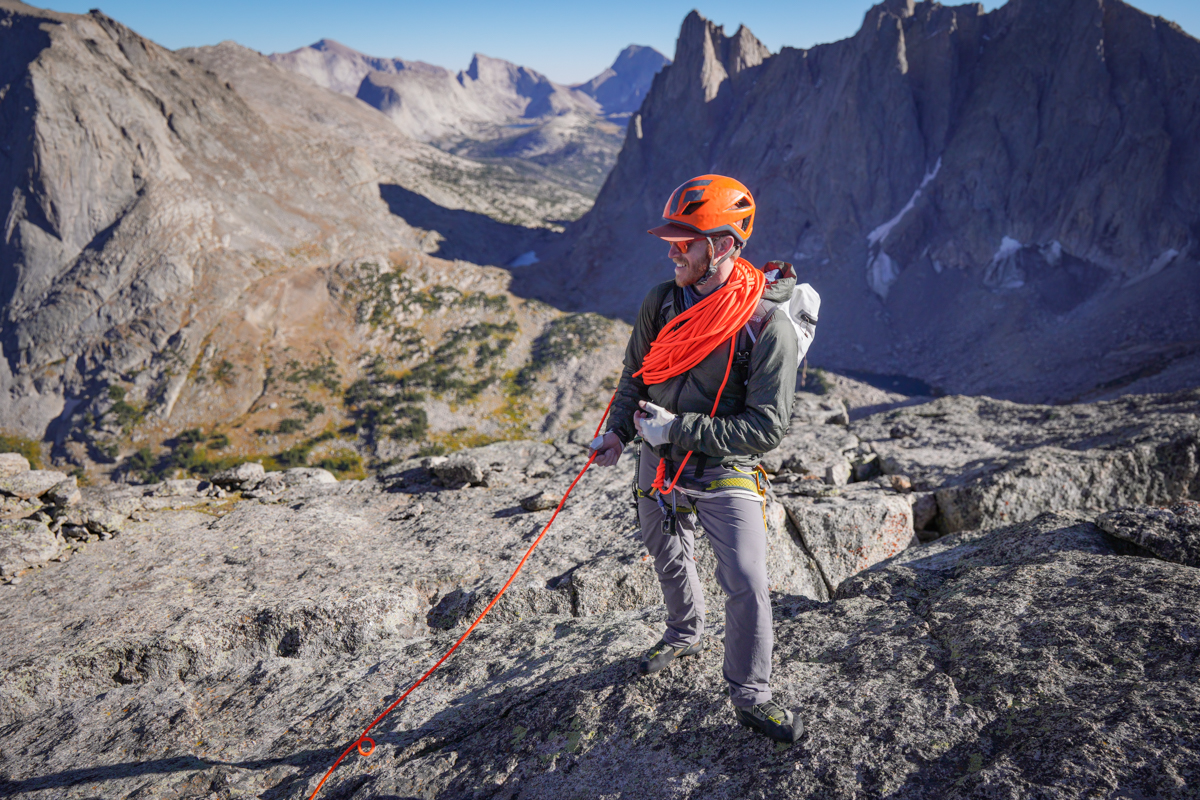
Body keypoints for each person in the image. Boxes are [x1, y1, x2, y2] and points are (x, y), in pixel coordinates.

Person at [590, 174, 802, 743]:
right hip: (658, 461)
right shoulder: (662, 301)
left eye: (686, 240)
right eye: (673, 239)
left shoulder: (765, 325)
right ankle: (683, 635)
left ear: (724, 245)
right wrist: (616, 433)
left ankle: (752, 694)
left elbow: (768, 426)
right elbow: (637, 374)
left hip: (722, 467)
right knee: (665, 548)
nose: (672, 249)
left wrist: (678, 428)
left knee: (748, 581)